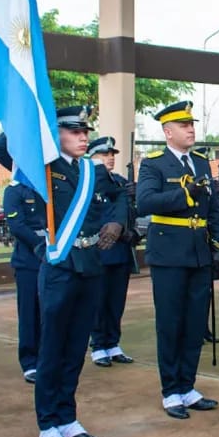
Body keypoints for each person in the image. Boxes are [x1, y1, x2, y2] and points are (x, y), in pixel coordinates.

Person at [0, 105, 128, 437]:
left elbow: (120, 197)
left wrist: (117, 222)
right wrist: (36, 116)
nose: (83, 137)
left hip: (90, 265)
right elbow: (1, 148)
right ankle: (47, 421)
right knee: (52, 348)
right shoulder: (41, 170)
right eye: (74, 132)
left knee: (76, 347)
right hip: (59, 269)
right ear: (56, 135)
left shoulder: (90, 171)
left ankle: (68, 416)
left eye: (85, 132)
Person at [136, 101, 219, 420]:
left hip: (198, 251)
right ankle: (171, 390)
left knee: (194, 324)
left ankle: (188, 385)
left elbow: (213, 206)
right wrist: (184, 195)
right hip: (169, 253)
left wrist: (217, 244)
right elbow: (144, 202)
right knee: (171, 323)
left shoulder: (201, 163)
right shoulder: (154, 164)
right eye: (184, 125)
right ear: (167, 131)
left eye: (192, 124)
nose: (191, 129)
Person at [87, 136, 138, 368]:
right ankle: (98, 345)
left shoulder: (119, 181)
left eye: (111, 155)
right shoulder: (89, 180)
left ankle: (113, 343)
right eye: (103, 154)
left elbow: (129, 212)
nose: (109, 158)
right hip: (100, 249)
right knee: (98, 301)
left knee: (116, 301)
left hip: (120, 249)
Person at [3, 180, 45, 384]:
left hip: (54, 258)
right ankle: (30, 362)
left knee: (51, 312)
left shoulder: (48, 185)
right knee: (29, 312)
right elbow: (17, 225)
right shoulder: (15, 190)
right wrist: (42, 245)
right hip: (28, 259)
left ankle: (48, 358)